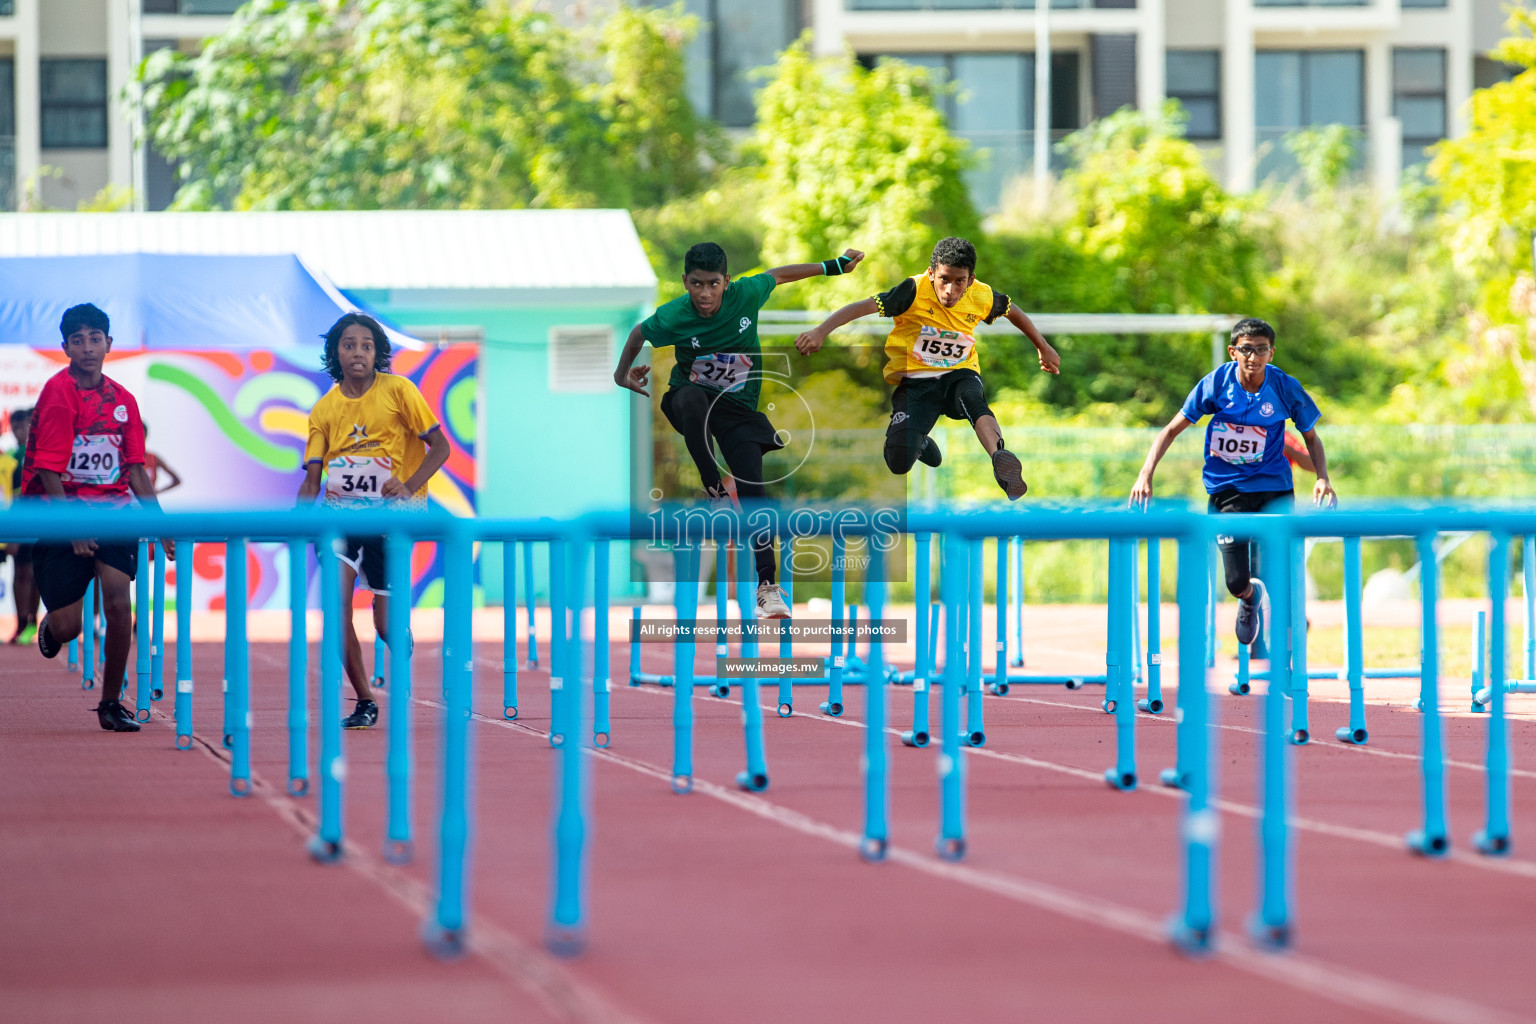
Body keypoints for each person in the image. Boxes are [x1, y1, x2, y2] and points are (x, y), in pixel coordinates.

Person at [613, 241, 865, 619]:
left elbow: (778, 274)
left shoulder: (745, 293)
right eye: (696, 284)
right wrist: (621, 373)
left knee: (754, 494)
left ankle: (767, 588)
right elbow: (638, 333)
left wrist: (834, 266)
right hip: (691, 403)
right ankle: (713, 489)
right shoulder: (674, 315)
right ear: (685, 282)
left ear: (726, 281)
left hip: (739, 411)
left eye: (713, 284)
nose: (705, 294)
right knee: (691, 397)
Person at [793, 236, 1060, 501]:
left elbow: (1012, 311)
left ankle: (999, 457)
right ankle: (919, 443)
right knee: (898, 461)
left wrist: (1042, 345)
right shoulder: (912, 290)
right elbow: (861, 307)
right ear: (932, 273)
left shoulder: (982, 294)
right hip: (916, 380)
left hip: (960, 371)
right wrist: (820, 331)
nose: (950, 291)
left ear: (970, 279)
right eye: (944, 279)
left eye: (960, 282)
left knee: (972, 399)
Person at [1129, 317, 1336, 644]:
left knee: (1280, 571)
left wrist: (1323, 477)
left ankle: (1285, 651)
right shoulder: (1215, 384)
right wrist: (1145, 473)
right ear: (1232, 352)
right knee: (1236, 580)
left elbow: (1311, 438)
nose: (1254, 357)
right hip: (1227, 490)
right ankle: (1249, 598)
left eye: (1261, 350)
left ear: (1272, 353)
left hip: (1273, 489)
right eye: (1246, 350)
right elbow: (1170, 430)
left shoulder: (1284, 387)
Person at [21, 305, 173, 732]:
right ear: (65, 346)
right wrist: (73, 528)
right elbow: (49, 470)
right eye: (79, 339)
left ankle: (111, 703)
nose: (88, 347)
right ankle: (51, 626)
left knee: (119, 601)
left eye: (95, 338)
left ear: (109, 343)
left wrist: (161, 526)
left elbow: (137, 471)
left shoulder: (124, 401)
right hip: (60, 513)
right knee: (69, 627)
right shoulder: (58, 393)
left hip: (114, 514)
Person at [298, 312, 451, 730]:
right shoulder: (324, 410)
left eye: (366, 345)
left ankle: (396, 633)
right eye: (349, 344)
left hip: (392, 520)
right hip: (340, 519)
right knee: (336, 609)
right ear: (335, 353)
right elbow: (313, 480)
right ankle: (365, 699)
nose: (358, 352)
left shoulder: (400, 390)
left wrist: (408, 484)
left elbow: (440, 447)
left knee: (385, 625)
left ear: (378, 353)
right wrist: (294, 523)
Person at [5, 408, 40, 645]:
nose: (20, 431)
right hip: (19, 524)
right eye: (15, 427)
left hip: (41, 522)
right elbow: (13, 496)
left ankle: (33, 622)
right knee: (21, 573)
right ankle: (21, 623)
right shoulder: (10, 458)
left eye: (24, 425)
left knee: (36, 573)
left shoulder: (40, 453)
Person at [141, 424, 182, 494]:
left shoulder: (153, 458)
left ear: (146, 435)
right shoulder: (125, 459)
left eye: (142, 436)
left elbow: (177, 480)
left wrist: (157, 492)